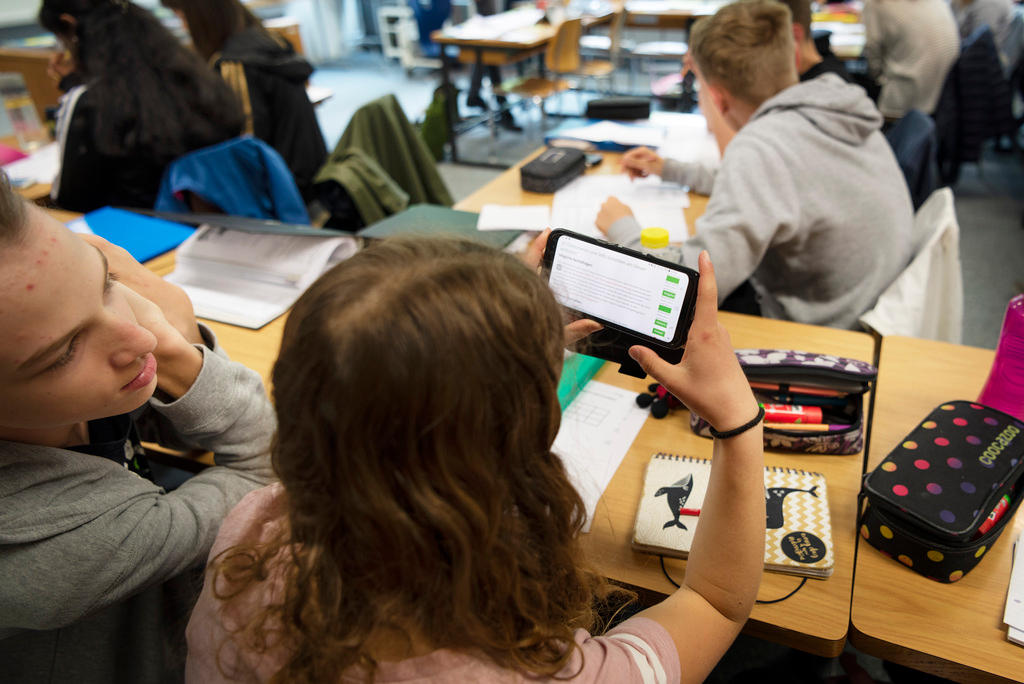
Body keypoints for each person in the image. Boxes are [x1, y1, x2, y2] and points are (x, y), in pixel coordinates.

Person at [184, 235, 766, 683]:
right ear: (513, 450)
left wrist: (483, 342)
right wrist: (738, 422)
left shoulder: (252, 533)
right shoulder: (535, 673)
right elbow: (714, 600)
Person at [0, 172, 275, 683]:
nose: (138, 334)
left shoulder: (42, 392)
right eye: (64, 351)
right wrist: (178, 352)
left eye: (105, 283)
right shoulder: (66, 544)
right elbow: (269, 464)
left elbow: (181, 429)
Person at [596, 0, 913, 330]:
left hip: (815, 332)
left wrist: (624, 230)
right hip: (863, 307)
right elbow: (774, 183)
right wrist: (670, 169)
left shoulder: (760, 146)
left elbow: (684, 288)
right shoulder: (834, 105)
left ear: (717, 98)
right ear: (791, 55)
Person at [38, 0, 244, 213]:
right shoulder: (193, 76)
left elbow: (69, 200)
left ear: (70, 26)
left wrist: (72, 88)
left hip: (142, 234)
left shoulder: (90, 101)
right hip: (219, 219)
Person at [161, 0, 329, 202]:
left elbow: (246, 149)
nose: (184, 27)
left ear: (203, 16)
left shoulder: (235, 64)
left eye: (182, 16)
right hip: (311, 172)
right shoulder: (267, 41)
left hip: (287, 188)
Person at [862, 0, 960, 119]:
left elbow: (872, 53)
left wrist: (877, 77)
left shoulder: (877, 3)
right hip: (946, 97)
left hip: (905, 101)